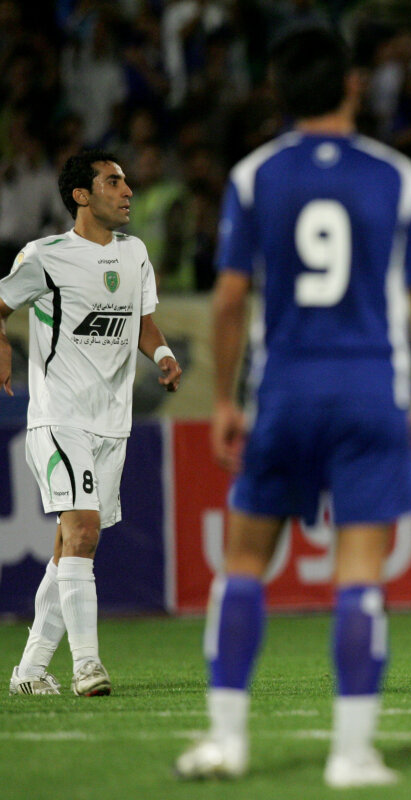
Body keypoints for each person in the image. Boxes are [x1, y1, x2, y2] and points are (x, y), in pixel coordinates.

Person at [173, 26, 411, 787]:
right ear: (353, 85)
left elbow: (230, 298)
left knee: (244, 562)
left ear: (278, 92)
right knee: (359, 573)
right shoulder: (397, 176)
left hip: (285, 391)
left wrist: (224, 400)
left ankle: (227, 742)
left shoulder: (255, 175)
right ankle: (351, 755)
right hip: (370, 393)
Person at [1, 149, 182, 697]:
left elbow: (141, 320)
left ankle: (30, 671)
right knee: (82, 531)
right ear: (82, 195)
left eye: (125, 181)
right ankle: (87, 666)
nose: (127, 191)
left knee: (70, 547)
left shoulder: (134, 253)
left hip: (112, 422)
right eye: (113, 182)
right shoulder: (46, 256)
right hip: (61, 416)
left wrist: (163, 353)